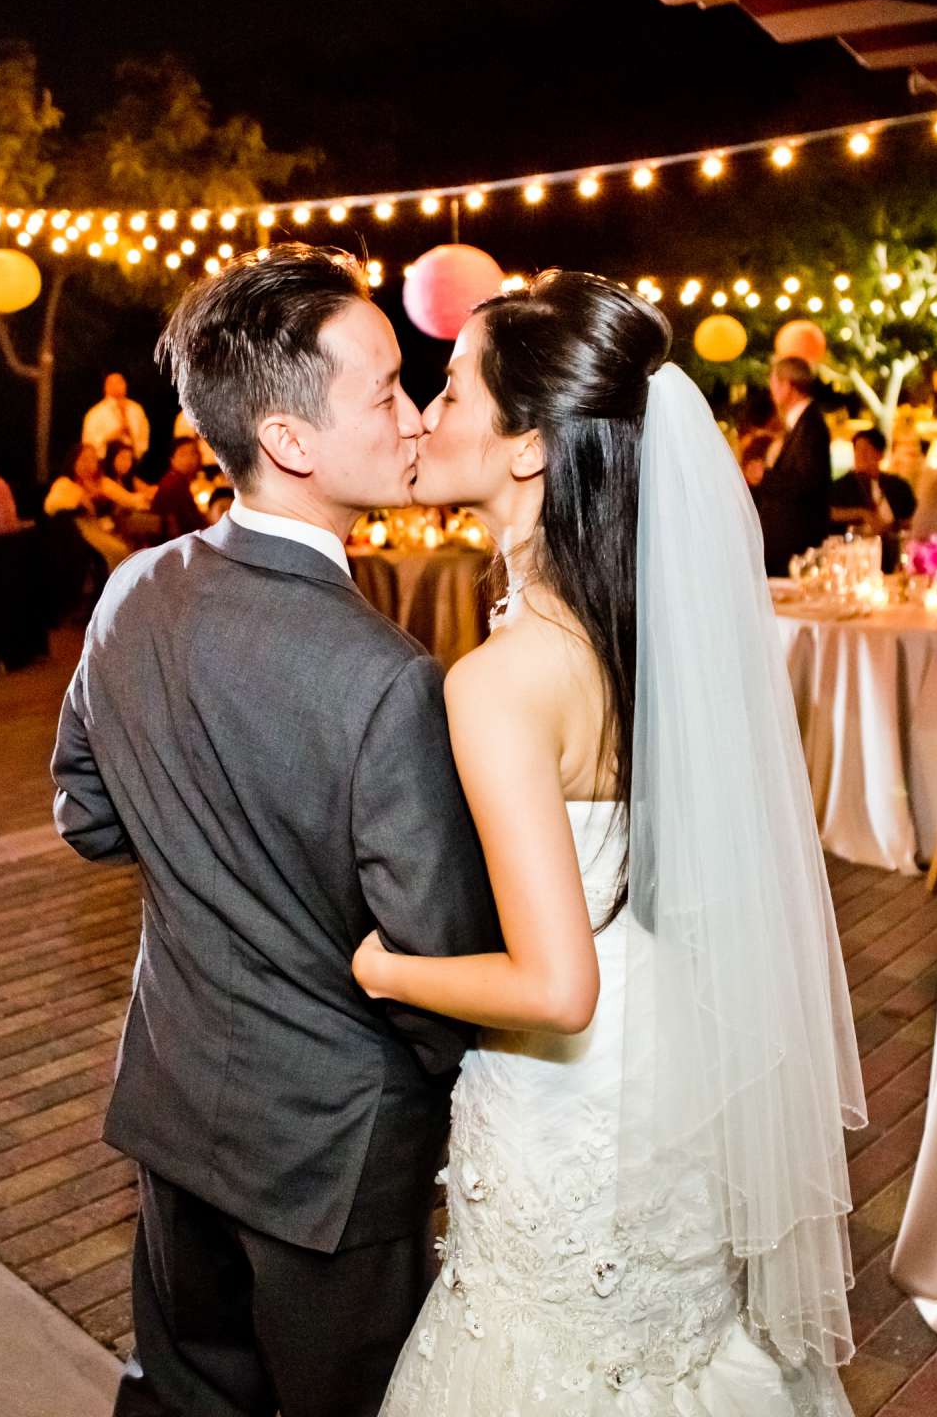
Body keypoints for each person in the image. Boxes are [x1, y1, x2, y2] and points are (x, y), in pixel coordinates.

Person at [356, 270, 862, 1415]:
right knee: (677, 1351)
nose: (427, 415)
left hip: (572, 1095)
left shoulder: (498, 682)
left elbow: (554, 982)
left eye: (449, 389)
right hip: (677, 1045)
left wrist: (382, 964)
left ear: (528, 446)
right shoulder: (647, 629)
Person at [52, 245, 502, 1417]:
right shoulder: (389, 680)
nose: (413, 418)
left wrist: (214, 862)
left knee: (182, 1394)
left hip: (176, 1094)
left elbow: (88, 816)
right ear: (292, 439)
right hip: (329, 1148)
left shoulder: (131, 592)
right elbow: (434, 967)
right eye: (388, 391)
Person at [748, 355, 832, 574]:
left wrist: (764, 476)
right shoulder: (800, 423)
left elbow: (809, 480)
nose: (771, 390)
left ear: (788, 385)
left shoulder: (811, 425)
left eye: (774, 383)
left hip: (798, 542)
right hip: (788, 540)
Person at [44, 442, 132, 570]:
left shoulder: (101, 483)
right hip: (80, 531)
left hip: (102, 527)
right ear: (73, 461)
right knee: (119, 550)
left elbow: (126, 499)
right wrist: (80, 498)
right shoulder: (64, 483)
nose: (88, 464)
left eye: (93, 460)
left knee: (129, 546)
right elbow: (50, 505)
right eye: (84, 459)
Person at [829, 428, 916, 540]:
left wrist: (893, 526)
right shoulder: (841, 486)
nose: (860, 455)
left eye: (866, 450)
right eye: (857, 450)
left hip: (893, 545)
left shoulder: (898, 486)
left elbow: (913, 519)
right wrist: (862, 513)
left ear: (879, 454)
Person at [80, 370, 152, 458]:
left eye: (119, 382)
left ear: (125, 385)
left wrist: (137, 451)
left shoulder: (136, 409)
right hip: (104, 460)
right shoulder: (95, 413)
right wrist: (110, 437)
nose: (116, 386)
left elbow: (144, 434)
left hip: (132, 460)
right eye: (111, 383)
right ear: (105, 387)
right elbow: (88, 442)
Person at [151, 437, 211, 540]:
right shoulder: (173, 484)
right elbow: (178, 527)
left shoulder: (179, 481)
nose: (189, 459)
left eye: (193, 453)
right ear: (172, 460)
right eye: (183, 454)